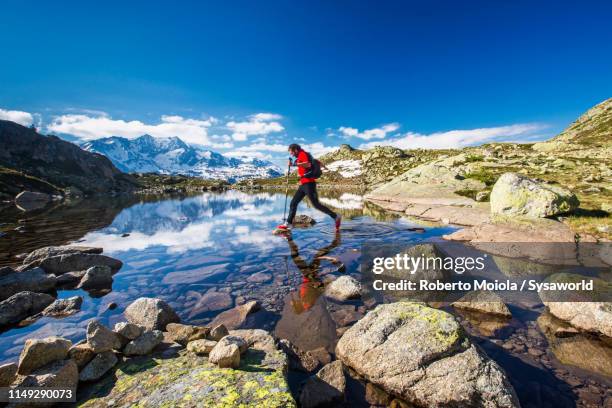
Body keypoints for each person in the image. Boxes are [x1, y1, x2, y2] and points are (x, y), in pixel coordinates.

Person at [277, 144, 341, 231]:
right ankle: (289, 223)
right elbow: (316, 162)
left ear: (295, 149)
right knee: (293, 203)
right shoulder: (301, 156)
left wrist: (293, 164)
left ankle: (336, 216)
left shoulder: (302, 154)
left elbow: (308, 164)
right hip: (303, 184)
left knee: (316, 204)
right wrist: (322, 166)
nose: (291, 154)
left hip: (309, 184)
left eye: (291, 152)